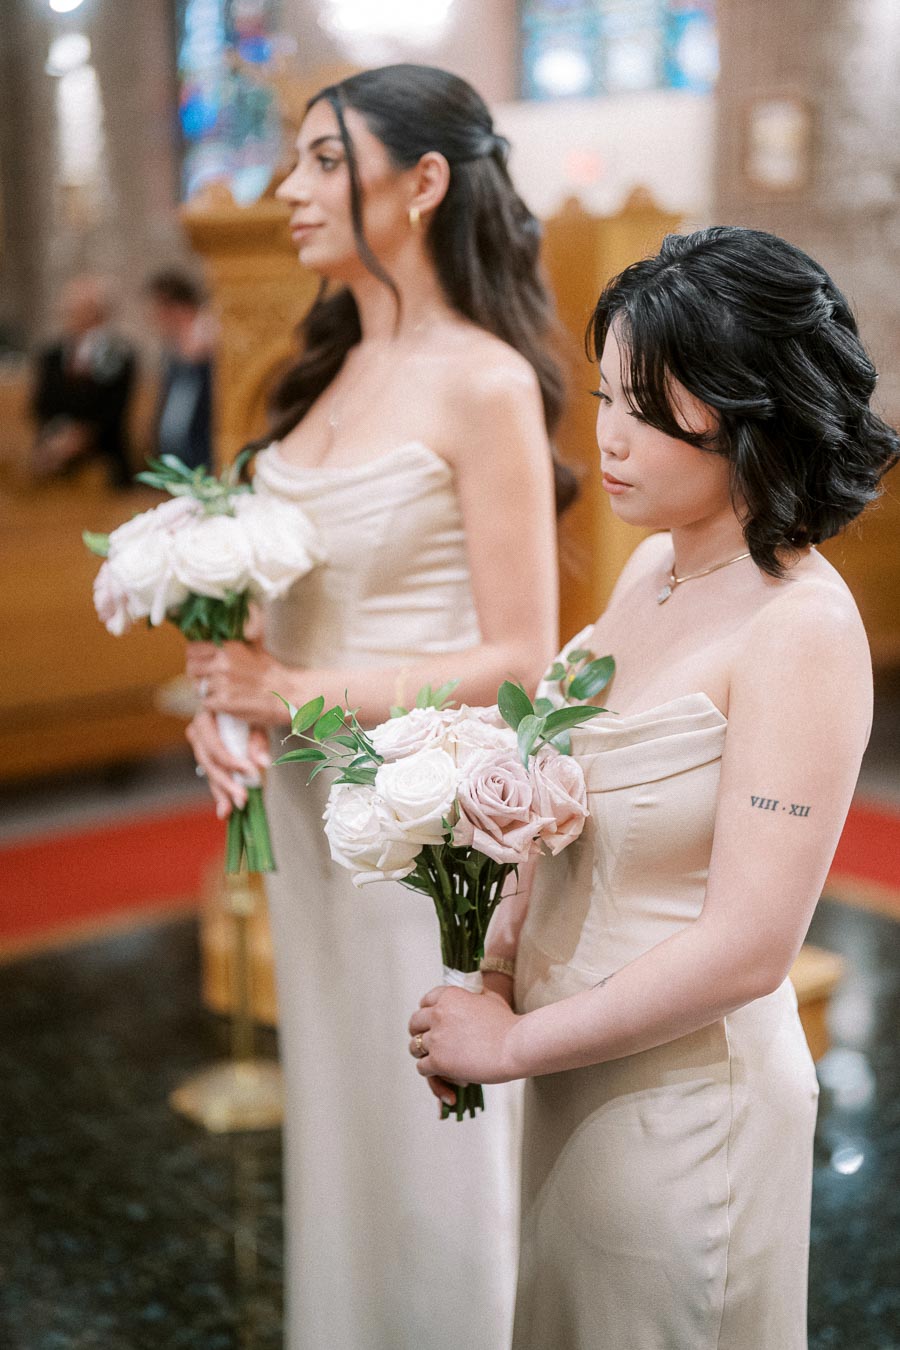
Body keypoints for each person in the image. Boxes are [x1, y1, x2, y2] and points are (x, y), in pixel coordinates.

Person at [408, 227, 899, 1349]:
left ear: (750, 409)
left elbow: (748, 949)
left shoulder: (801, 629)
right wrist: (490, 980)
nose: (608, 440)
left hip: (686, 1102)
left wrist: (513, 1045)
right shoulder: (655, 565)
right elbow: (558, 795)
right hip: (578, 1063)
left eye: (647, 406)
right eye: (605, 398)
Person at [185, 65, 567, 1350]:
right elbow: (274, 612)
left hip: (424, 820)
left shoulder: (486, 383)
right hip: (307, 808)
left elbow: (524, 655)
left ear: (421, 183)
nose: (286, 191)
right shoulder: (320, 379)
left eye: (319, 161)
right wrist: (228, 701)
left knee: (431, 1130)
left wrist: (294, 692)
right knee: (342, 1115)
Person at [31, 275, 136, 487]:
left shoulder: (117, 354)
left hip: (104, 456)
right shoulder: (52, 355)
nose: (72, 314)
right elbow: (41, 404)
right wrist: (55, 439)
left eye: (81, 308)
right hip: (53, 454)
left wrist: (80, 438)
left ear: (98, 312)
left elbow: (114, 408)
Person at [144, 269, 216, 472]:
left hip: (207, 456)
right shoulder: (172, 350)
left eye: (157, 308)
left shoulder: (210, 340)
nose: (153, 317)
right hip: (177, 459)